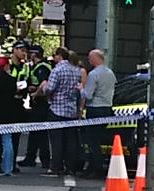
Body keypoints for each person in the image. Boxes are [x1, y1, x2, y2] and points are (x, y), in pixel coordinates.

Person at [43, 47, 81, 176]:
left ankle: (56, 167)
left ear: (59, 56)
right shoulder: (76, 70)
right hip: (71, 109)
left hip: (57, 109)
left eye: (54, 55)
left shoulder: (57, 70)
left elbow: (50, 88)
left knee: (56, 140)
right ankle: (70, 167)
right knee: (70, 140)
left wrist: (44, 88)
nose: (53, 58)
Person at [82, 49, 116, 178]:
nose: (89, 60)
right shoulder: (110, 73)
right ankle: (94, 166)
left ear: (97, 59)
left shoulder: (93, 74)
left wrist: (80, 89)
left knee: (92, 141)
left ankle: (96, 168)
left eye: (90, 58)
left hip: (95, 109)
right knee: (100, 139)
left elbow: (88, 95)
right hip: (107, 109)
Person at [20, 45, 51, 168]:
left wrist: (34, 92)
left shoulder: (41, 68)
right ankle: (31, 157)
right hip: (38, 104)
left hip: (40, 103)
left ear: (34, 54)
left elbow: (44, 83)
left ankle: (43, 159)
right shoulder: (38, 66)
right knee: (35, 132)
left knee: (40, 133)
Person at [8, 40, 30, 171]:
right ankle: (2, 162)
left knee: (16, 136)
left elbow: (26, 82)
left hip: (18, 102)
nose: (24, 53)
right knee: (5, 135)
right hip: (7, 103)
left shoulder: (25, 67)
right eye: (22, 50)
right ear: (14, 50)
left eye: (25, 51)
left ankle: (11, 163)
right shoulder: (6, 64)